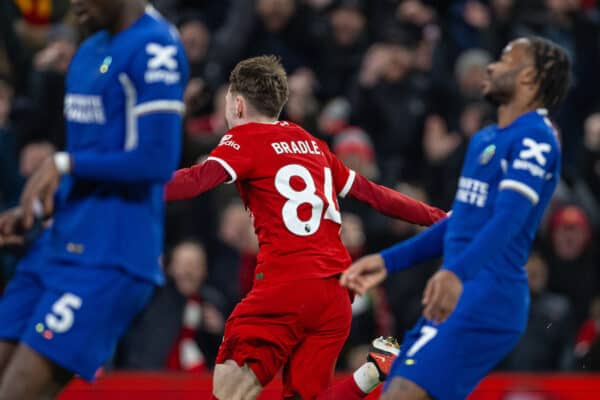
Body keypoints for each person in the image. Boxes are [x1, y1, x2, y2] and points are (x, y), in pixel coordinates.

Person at [164, 55, 447, 400]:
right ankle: (372, 372)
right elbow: (377, 195)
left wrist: (131, 184)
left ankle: (372, 373)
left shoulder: (243, 139)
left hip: (286, 286)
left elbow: (197, 180)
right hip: (336, 293)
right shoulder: (313, 146)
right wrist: (441, 219)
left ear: (237, 104)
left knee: (228, 393)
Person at [341, 36, 571, 400]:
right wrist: (389, 261)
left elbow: (508, 219)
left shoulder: (536, 139)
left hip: (489, 295)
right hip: (459, 293)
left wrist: (455, 272)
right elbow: (459, 223)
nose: (492, 67)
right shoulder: (485, 139)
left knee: (401, 394)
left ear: (530, 77)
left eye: (506, 60)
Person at [0, 0, 187, 398]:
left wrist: (65, 163)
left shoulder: (156, 49)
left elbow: (157, 160)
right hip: (56, 245)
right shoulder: (87, 52)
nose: (73, 3)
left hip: (110, 258)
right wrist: (34, 209)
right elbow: (89, 157)